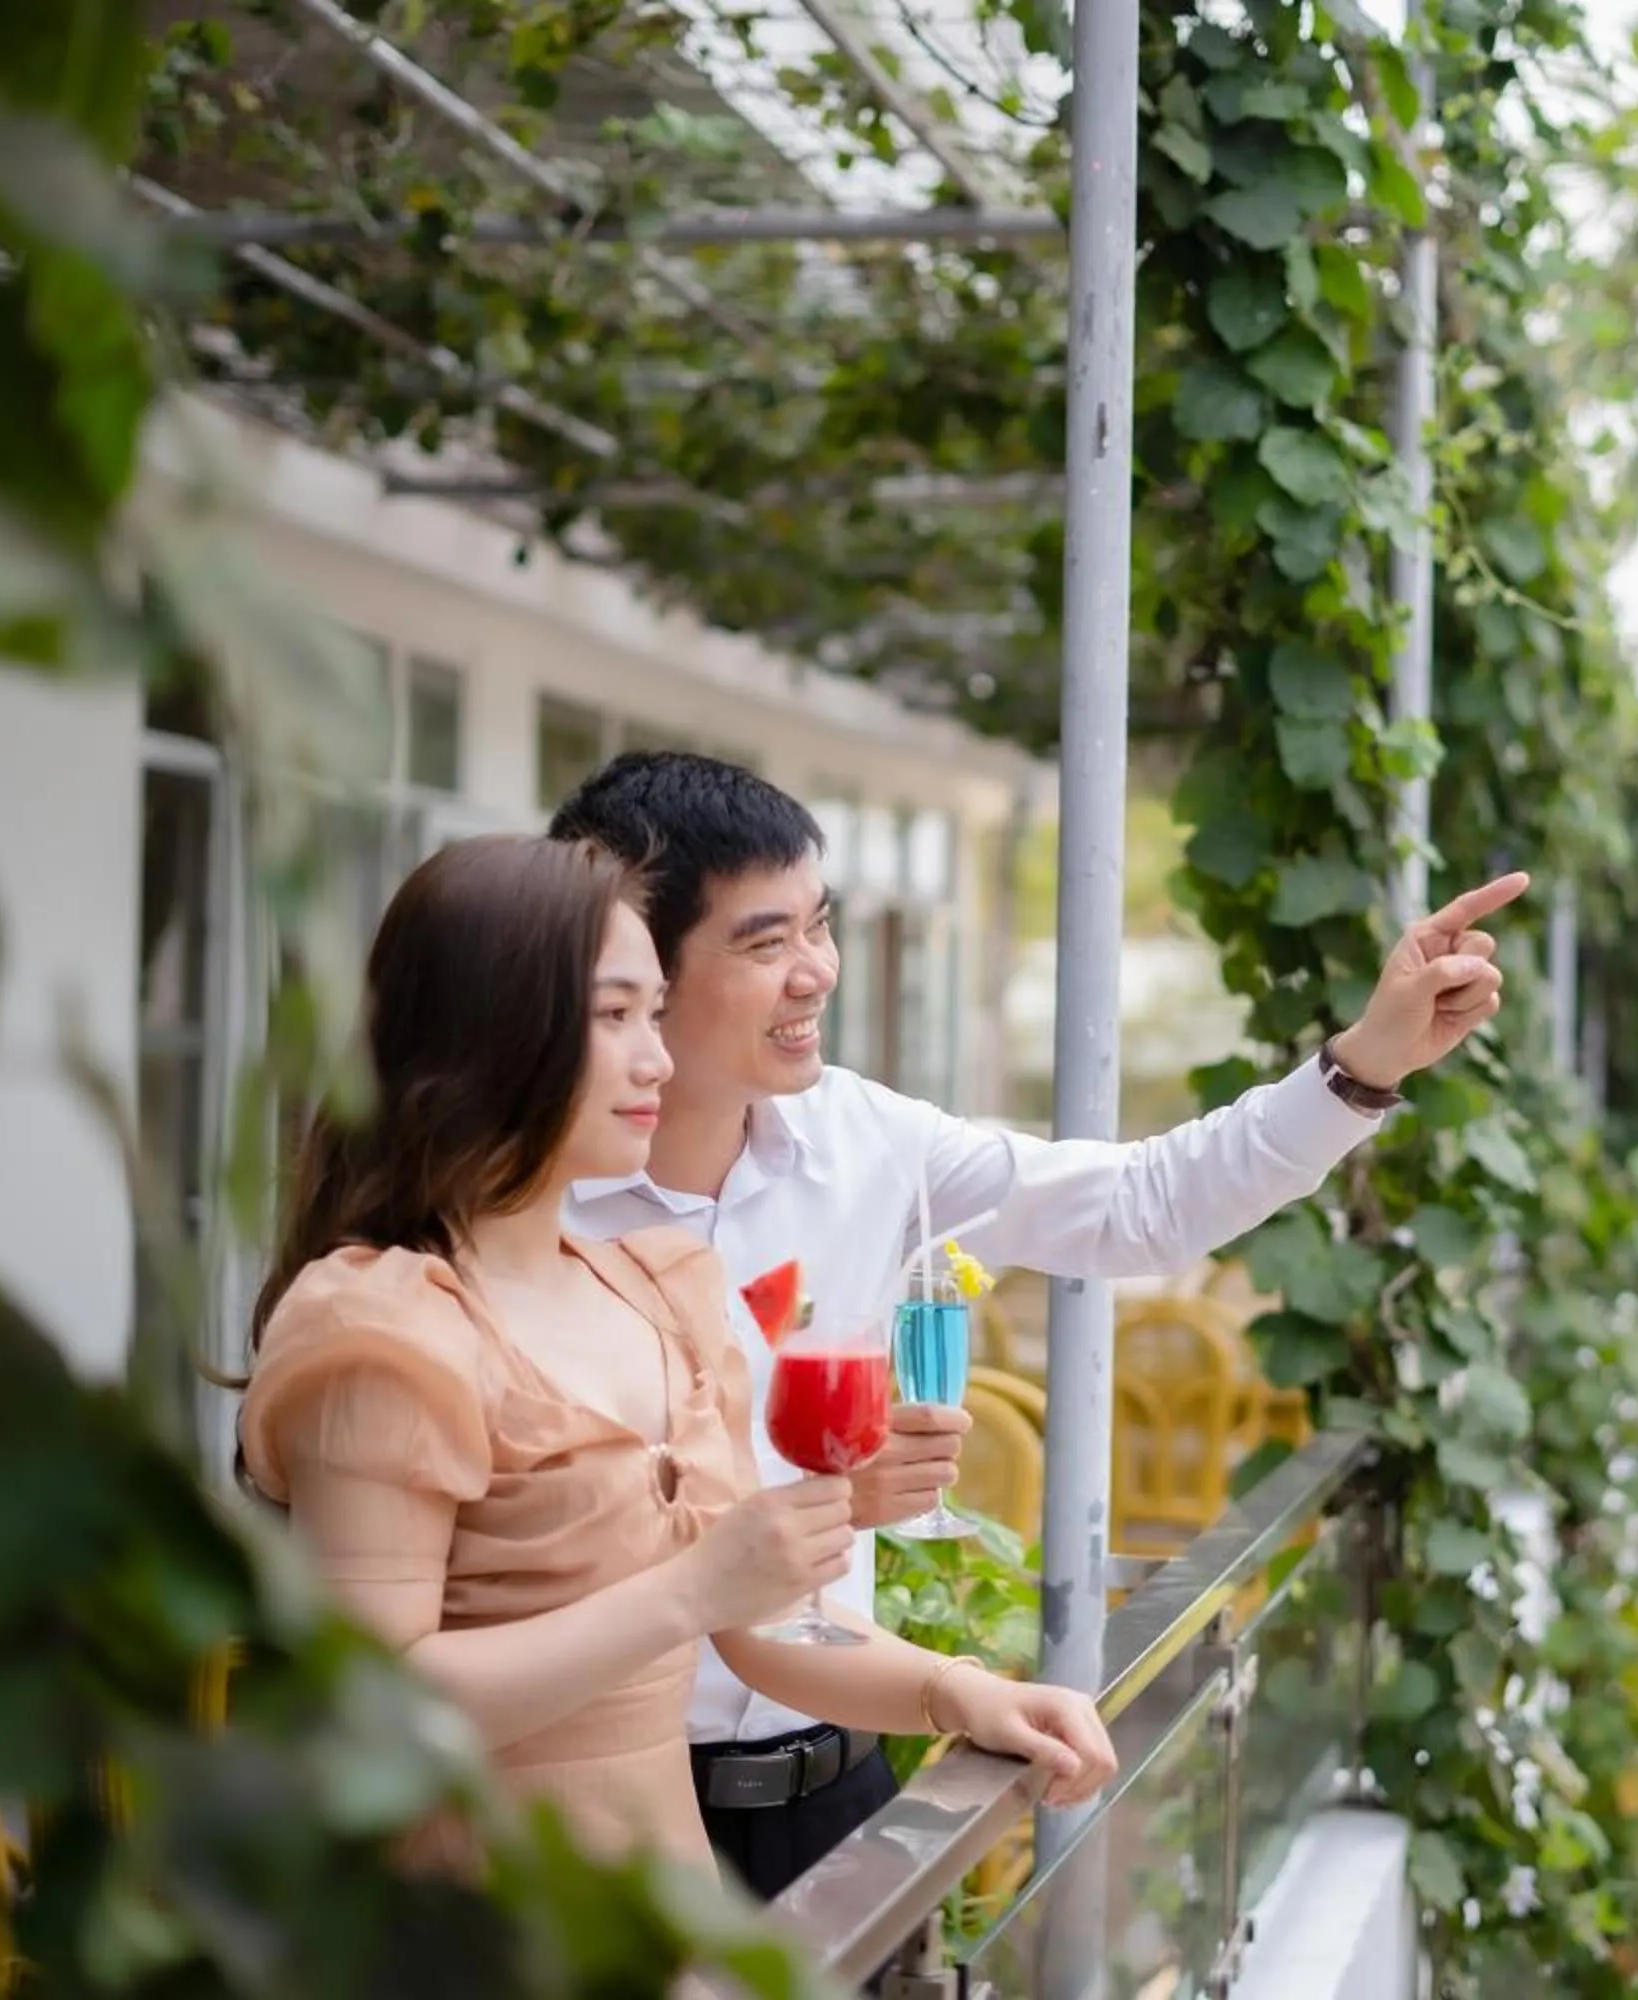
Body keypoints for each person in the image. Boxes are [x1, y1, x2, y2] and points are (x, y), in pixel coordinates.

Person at [550, 753, 1523, 1898]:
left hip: (840, 1794)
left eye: (821, 924)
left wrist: (1365, 1066)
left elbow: (1141, 1205)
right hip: (599, 1821)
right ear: (633, 970)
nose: (816, 971)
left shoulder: (866, 1139)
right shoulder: (527, 1209)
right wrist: (840, 1506)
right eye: (766, 944)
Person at [237, 834, 1116, 1875]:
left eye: (654, 1012)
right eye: (614, 1017)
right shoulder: (384, 1327)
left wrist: (962, 1690)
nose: (656, 1057)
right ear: (490, 1037)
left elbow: (762, 1623)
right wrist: (689, 1590)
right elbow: (371, 1703)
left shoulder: (652, 1291)